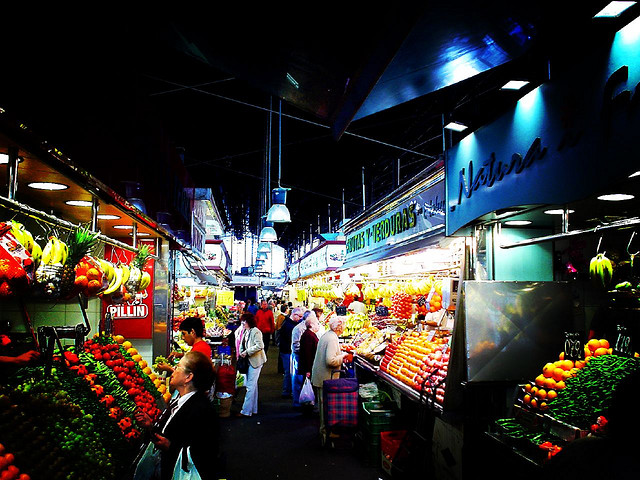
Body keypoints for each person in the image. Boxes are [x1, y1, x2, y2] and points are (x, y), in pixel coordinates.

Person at [135, 350, 218, 480]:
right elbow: (168, 434)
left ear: (188, 377)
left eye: (178, 367)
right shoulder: (180, 401)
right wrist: (150, 427)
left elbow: (205, 452)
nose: (173, 370)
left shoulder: (201, 410)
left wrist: (170, 446)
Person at [311, 316, 348, 437]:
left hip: (321, 376)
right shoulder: (332, 339)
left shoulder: (328, 335)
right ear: (340, 327)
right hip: (326, 378)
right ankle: (325, 432)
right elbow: (330, 361)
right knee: (325, 405)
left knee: (323, 405)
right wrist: (343, 357)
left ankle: (325, 431)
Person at [236, 313, 267, 417]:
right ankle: (253, 409)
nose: (242, 323)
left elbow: (260, 345)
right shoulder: (246, 331)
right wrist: (241, 352)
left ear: (249, 322)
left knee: (250, 386)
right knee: (253, 386)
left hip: (256, 362)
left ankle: (245, 411)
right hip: (250, 361)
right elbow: (242, 344)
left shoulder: (256, 332)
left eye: (244, 321)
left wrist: (247, 352)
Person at [298, 314, 321, 414]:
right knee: (309, 388)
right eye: (317, 323)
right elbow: (307, 353)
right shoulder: (308, 336)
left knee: (310, 388)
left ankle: (308, 407)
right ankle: (308, 408)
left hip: (309, 365)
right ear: (311, 325)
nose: (318, 326)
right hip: (309, 366)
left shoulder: (309, 334)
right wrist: (308, 370)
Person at [291, 308, 310, 408]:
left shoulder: (304, 327)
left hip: (301, 356)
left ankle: (301, 400)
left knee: (301, 378)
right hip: (298, 356)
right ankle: (297, 401)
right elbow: (296, 345)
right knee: (298, 378)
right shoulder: (299, 329)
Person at [278, 307, 297, 398]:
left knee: (289, 372)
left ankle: (287, 390)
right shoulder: (289, 326)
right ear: (294, 315)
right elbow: (290, 339)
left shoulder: (288, 322)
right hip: (287, 351)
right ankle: (286, 391)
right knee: (289, 372)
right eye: (299, 316)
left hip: (286, 350)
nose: (301, 318)